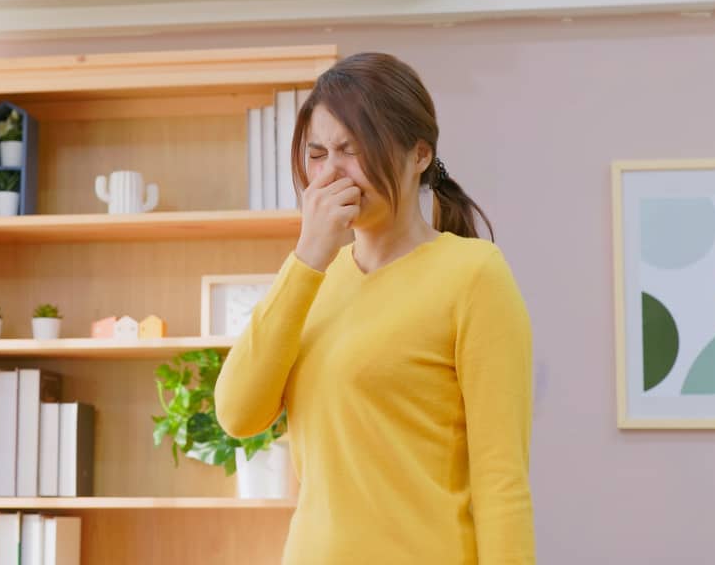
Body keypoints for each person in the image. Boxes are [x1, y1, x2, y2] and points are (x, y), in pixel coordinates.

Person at [215, 52, 535, 564]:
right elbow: (237, 414)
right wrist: (308, 256)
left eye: (353, 149)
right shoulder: (312, 278)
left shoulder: (474, 275)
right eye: (318, 154)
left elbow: (502, 483)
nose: (331, 172)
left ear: (419, 155)